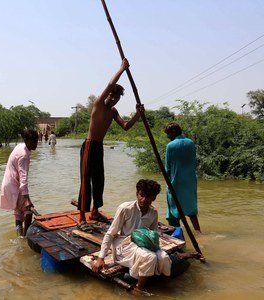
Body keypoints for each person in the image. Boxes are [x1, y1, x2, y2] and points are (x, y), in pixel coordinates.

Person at [78, 58, 144, 223]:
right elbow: (109, 84)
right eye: (112, 95)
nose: (113, 99)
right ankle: (82, 219)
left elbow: (126, 126)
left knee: (99, 180)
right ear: (107, 95)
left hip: (99, 147)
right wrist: (122, 69)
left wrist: (138, 114)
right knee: (86, 181)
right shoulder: (99, 104)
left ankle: (94, 212)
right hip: (89, 145)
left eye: (116, 98)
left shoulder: (113, 112)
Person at [92, 179, 171, 294]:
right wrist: (101, 258)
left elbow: (154, 234)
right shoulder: (125, 208)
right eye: (141, 195)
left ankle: (167, 287)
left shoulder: (153, 212)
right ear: (137, 194)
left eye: (148, 197)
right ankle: (138, 290)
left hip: (143, 243)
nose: (143, 200)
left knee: (163, 257)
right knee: (150, 257)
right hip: (124, 245)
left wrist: (156, 247)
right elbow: (111, 233)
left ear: (154, 198)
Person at [0, 129, 39, 236]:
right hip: (14, 185)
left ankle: (19, 235)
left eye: (36, 141)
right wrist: (27, 199)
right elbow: (23, 177)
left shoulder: (20, 147)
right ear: (26, 141)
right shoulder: (24, 155)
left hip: (9, 184)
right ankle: (26, 237)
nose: (35, 144)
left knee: (19, 212)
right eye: (33, 142)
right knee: (28, 211)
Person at [164, 122, 201, 233]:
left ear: (174, 132)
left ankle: (177, 234)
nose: (168, 137)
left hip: (176, 183)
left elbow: (167, 167)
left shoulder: (170, 146)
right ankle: (198, 232)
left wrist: (165, 175)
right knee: (191, 209)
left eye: (168, 134)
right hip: (190, 182)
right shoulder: (190, 143)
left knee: (173, 212)